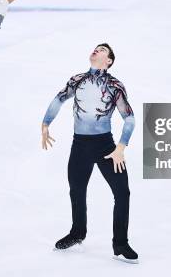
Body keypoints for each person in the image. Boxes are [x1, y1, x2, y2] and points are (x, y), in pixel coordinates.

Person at [41, 43, 139, 263]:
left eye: (102, 49)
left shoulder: (114, 86)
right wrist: (46, 123)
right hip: (80, 145)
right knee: (77, 190)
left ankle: (120, 244)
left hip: (106, 147)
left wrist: (121, 147)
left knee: (122, 193)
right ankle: (78, 232)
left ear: (109, 60)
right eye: (95, 47)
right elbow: (59, 99)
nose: (96, 50)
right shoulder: (77, 80)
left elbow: (129, 118)